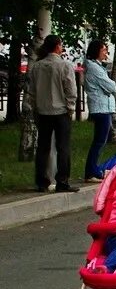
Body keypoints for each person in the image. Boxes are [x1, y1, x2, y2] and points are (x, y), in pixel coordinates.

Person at [27, 35, 79, 193]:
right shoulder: (64, 65)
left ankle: (41, 182)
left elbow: (32, 91)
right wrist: (70, 107)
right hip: (61, 111)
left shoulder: (37, 66)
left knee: (42, 147)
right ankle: (62, 181)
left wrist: (35, 106)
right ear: (57, 46)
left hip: (42, 111)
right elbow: (70, 89)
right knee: (63, 147)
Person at [83, 40, 116, 182]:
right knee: (99, 141)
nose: (105, 52)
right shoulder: (94, 68)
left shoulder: (96, 66)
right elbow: (111, 87)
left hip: (103, 107)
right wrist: (112, 85)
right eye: (103, 49)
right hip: (101, 107)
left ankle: (93, 169)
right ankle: (91, 171)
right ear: (96, 51)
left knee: (101, 140)